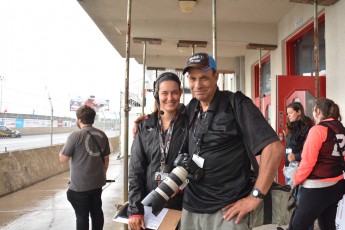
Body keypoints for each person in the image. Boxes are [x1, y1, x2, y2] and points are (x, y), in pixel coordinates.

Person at [133, 53, 284, 229]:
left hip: (227, 210)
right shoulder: (191, 108)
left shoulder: (236, 103)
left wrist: (255, 197)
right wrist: (147, 120)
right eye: (193, 79)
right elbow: (167, 114)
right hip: (191, 208)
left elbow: (273, 148)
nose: (197, 85)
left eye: (204, 78)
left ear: (216, 76)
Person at [128, 72, 188, 230]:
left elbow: (197, 161)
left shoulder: (190, 124)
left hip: (181, 205)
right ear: (157, 94)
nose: (170, 98)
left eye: (175, 92)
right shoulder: (145, 126)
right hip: (150, 203)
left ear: (180, 93)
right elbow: (136, 170)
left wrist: (182, 186)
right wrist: (135, 210)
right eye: (164, 93)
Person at [290, 98, 345, 230]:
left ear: (318, 111)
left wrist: (296, 179)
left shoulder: (318, 130)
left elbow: (308, 161)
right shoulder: (341, 128)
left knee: (297, 225)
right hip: (337, 185)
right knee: (327, 225)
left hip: (316, 188)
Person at [59, 105, 110, 230]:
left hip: (80, 187)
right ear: (93, 119)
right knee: (97, 213)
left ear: (79, 119)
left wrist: (61, 152)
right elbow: (106, 158)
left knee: (82, 217)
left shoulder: (75, 135)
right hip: (97, 184)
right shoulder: (102, 134)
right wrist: (102, 175)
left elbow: (63, 159)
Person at [284, 102, 314, 185]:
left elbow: (309, 150)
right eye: (287, 113)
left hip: (300, 166)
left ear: (299, 112)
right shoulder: (290, 126)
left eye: (291, 113)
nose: (288, 115)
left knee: (297, 195)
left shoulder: (307, 127)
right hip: (289, 167)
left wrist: (296, 157)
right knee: (289, 194)